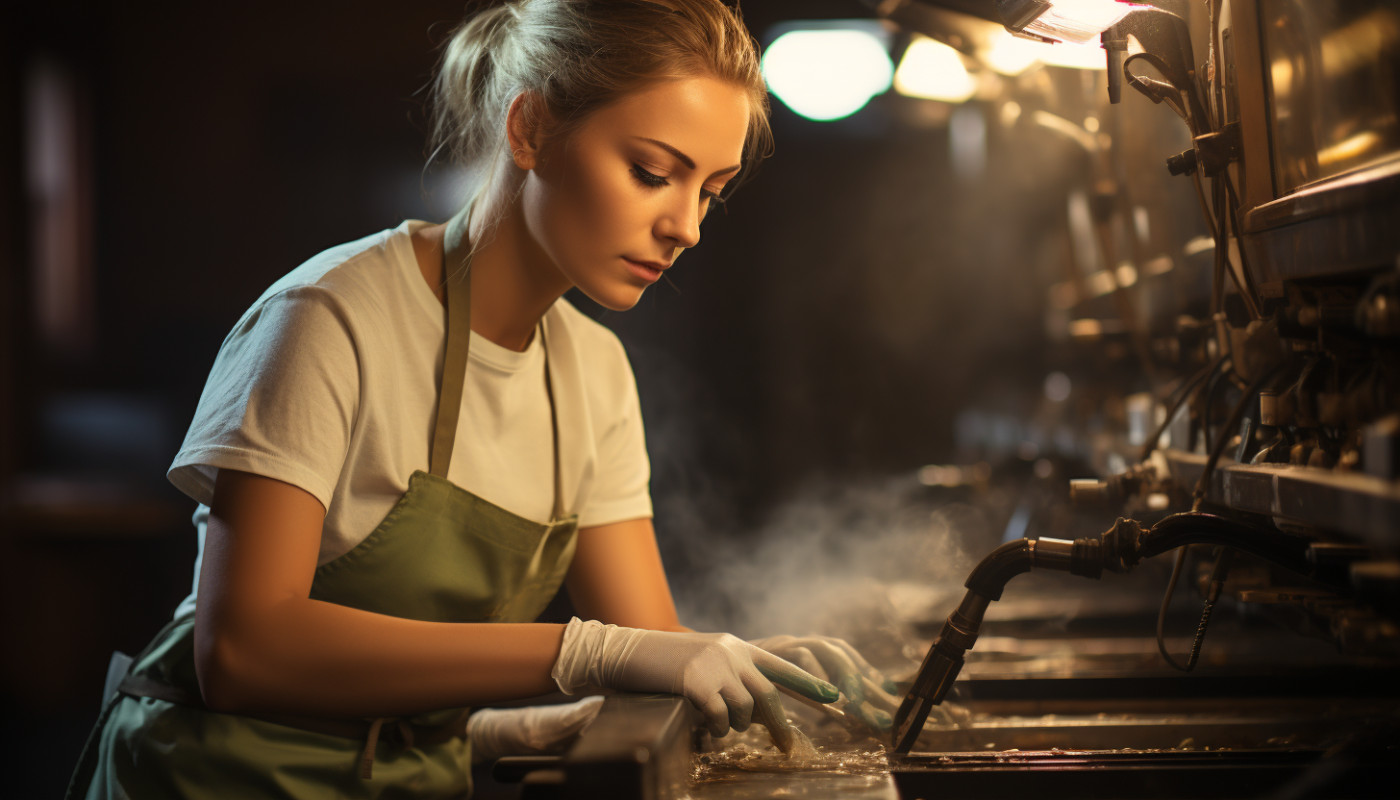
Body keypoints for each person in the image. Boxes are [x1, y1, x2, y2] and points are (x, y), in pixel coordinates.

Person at [67, 1, 896, 797]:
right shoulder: (331, 318)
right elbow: (246, 649)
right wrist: (583, 654)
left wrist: (743, 663)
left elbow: (638, 642)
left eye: (709, 190)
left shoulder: (594, 372)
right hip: (208, 781)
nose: (687, 226)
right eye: (652, 173)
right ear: (529, 129)